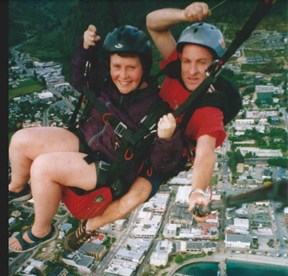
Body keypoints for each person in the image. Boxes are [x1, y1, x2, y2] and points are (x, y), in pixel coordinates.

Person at [9, 24, 184, 253]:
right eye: (117, 67)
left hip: (108, 168)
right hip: (85, 140)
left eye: (131, 68)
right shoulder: (106, 85)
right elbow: (79, 79)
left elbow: (162, 165)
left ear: (144, 68)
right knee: (21, 140)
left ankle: (41, 230)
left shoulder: (155, 109)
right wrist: (85, 48)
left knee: (43, 166)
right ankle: (17, 188)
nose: (122, 75)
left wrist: (167, 138)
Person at [146, 2, 241, 219]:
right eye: (187, 61)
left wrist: (197, 190)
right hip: (149, 134)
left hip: (167, 152)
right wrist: (183, 15)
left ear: (215, 66)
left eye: (201, 63)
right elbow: (153, 23)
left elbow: (205, 152)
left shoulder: (211, 107)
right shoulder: (175, 67)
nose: (191, 70)